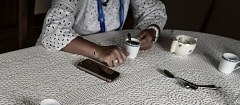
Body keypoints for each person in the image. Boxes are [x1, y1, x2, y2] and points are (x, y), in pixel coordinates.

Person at [37, 0, 167, 67]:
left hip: (108, 57)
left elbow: (153, 11)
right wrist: (98, 51)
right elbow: (53, 32)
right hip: (62, 52)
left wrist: (151, 31)